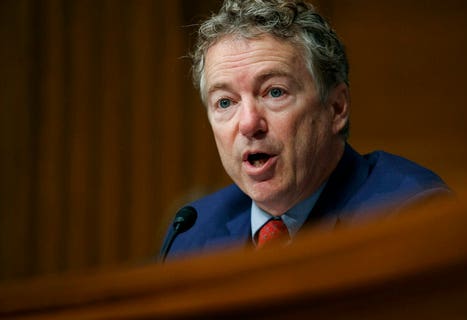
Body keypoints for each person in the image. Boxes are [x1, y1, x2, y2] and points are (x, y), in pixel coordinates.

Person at [163, 0, 450, 258]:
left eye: (275, 92)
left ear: (336, 108)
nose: (249, 124)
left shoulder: (408, 215)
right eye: (225, 102)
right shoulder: (192, 233)